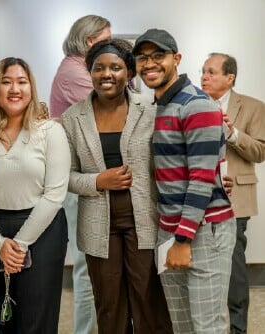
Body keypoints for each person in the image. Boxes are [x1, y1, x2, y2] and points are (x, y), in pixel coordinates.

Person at [61, 38, 173, 334]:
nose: (106, 73)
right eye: (99, 68)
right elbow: (65, 176)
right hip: (99, 227)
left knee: (149, 303)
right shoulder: (73, 118)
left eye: (115, 67)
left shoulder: (151, 109)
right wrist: (98, 181)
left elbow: (173, 159)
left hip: (144, 222)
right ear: (90, 72)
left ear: (129, 73)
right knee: (109, 308)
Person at [132, 29, 236, 333]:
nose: (149, 64)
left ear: (176, 59)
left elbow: (201, 178)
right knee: (183, 326)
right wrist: (171, 236)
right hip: (169, 230)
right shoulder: (158, 106)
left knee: (208, 327)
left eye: (158, 56)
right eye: (142, 58)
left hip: (202, 231)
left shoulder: (197, 104)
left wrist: (182, 239)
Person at [0, 57, 70, 333]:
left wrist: (18, 245)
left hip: (42, 232)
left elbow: (54, 194)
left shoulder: (50, 131)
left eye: (21, 81)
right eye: (6, 82)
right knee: (6, 319)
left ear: (31, 88)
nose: (14, 89)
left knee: (36, 321)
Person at [49, 14, 110, 334]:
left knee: (96, 266)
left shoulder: (80, 68)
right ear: (90, 41)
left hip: (92, 180)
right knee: (87, 267)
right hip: (80, 182)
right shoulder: (75, 72)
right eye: (107, 40)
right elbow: (112, 106)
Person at [201, 53, 265, 334]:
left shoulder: (253, 107)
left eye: (212, 72)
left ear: (230, 77)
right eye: (203, 71)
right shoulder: (193, 105)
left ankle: (238, 329)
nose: (204, 77)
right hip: (199, 198)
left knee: (235, 269)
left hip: (236, 199)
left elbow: (260, 151)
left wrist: (232, 133)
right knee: (203, 268)